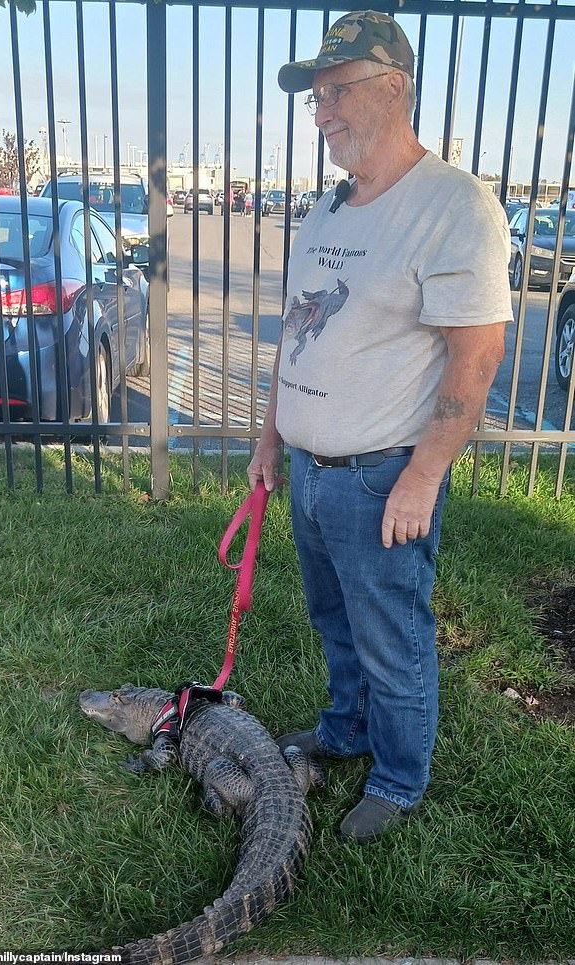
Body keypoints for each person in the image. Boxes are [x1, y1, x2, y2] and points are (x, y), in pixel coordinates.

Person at [247, 10, 513, 844]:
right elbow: (298, 330)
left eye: (336, 92)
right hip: (308, 465)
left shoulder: (452, 206)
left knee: (393, 637)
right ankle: (345, 730)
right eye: (314, 97)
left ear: (392, 87)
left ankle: (397, 781)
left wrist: (424, 473)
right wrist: (269, 435)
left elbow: (476, 357)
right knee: (333, 620)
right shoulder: (331, 206)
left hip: (378, 475)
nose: (320, 111)